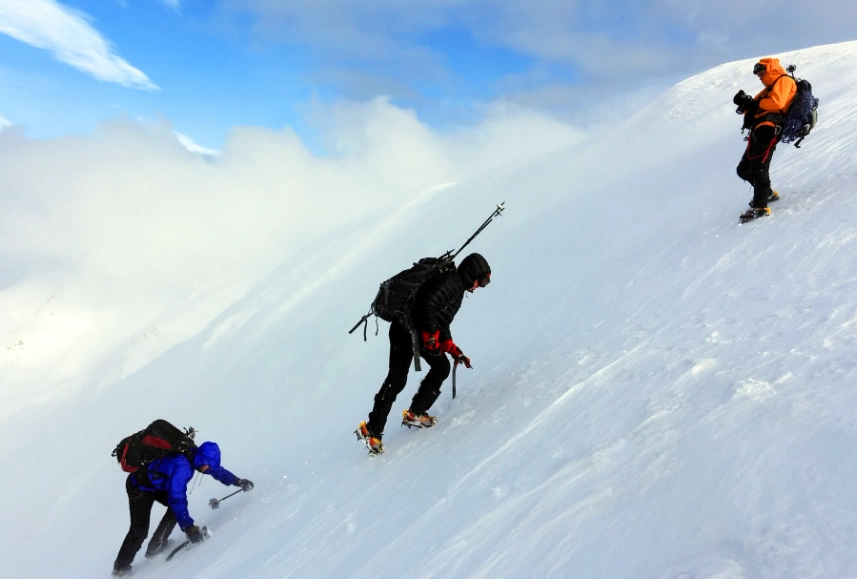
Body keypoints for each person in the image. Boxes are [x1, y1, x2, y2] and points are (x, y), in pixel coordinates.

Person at [356, 253, 492, 454]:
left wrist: (453, 350)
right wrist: (431, 338)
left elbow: (441, 319)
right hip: (407, 332)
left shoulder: (456, 288)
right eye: (481, 281)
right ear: (472, 273)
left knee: (417, 373)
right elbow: (425, 306)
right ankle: (386, 424)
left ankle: (396, 421)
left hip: (409, 331)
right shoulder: (452, 283)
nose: (478, 287)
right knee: (410, 376)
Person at [112, 441, 254, 576]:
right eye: (206, 466)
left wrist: (238, 481)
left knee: (176, 509)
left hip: (157, 484)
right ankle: (120, 568)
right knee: (140, 530)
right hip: (139, 487)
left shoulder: (196, 455)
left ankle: (156, 546)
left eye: (208, 466)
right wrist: (189, 528)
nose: (207, 469)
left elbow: (217, 471)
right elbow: (176, 498)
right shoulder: (182, 467)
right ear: (201, 459)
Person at [733, 57, 797, 223]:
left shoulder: (784, 81)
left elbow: (776, 103)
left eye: (762, 73)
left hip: (770, 129)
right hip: (759, 129)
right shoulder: (769, 89)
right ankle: (767, 193)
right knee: (743, 169)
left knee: (759, 167)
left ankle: (760, 207)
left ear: (770, 70)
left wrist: (755, 104)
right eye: (758, 75)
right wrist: (746, 105)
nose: (760, 77)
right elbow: (756, 110)